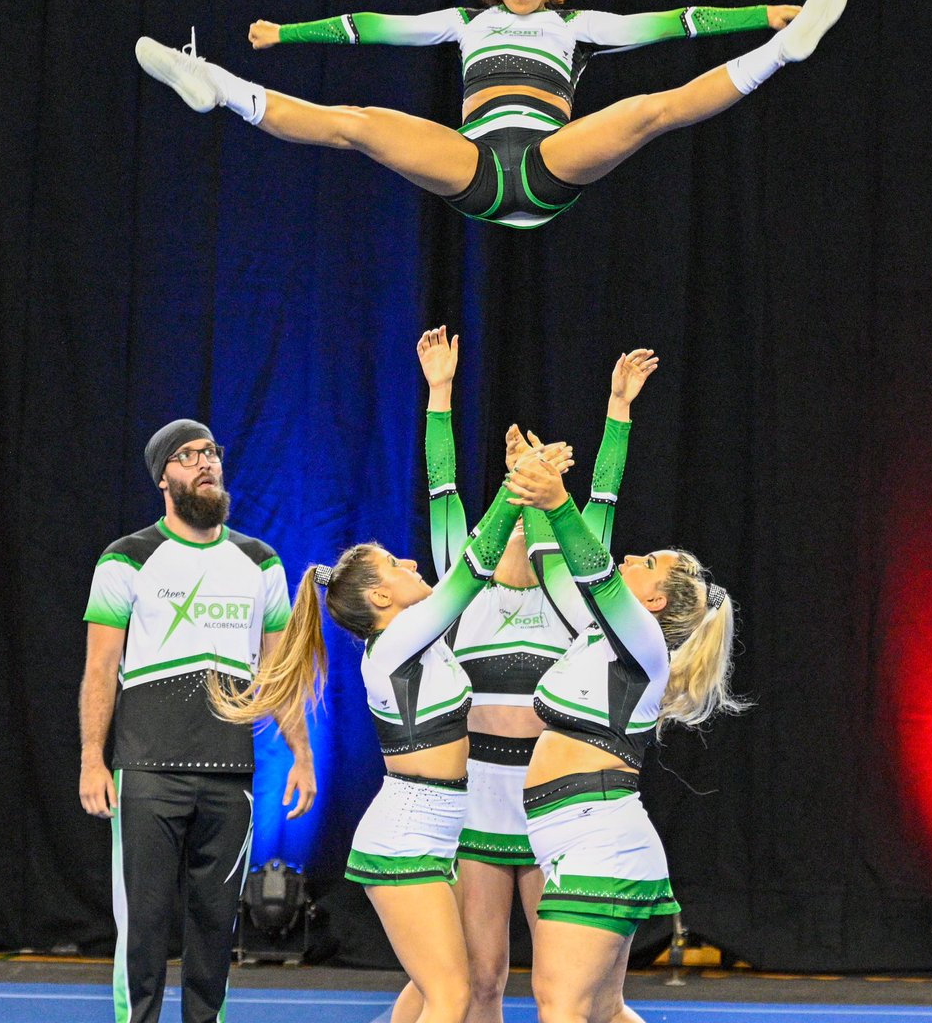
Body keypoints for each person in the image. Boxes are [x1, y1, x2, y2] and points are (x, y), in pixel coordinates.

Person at [134, 0, 848, 230]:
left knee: (649, 111)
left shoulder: (579, 29)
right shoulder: (464, 22)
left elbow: (679, 20)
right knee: (355, 125)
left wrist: (768, 17)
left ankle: (786, 54)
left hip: (545, 163)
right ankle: (212, 82)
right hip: (473, 165)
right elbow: (375, 26)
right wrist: (288, 33)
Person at [209, 439, 570, 1023]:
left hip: (433, 837)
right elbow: (472, 570)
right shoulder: (395, 642)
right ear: (381, 597)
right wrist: (516, 485)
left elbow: (462, 536)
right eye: (395, 566)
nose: (411, 564)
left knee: (440, 989)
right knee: (451, 997)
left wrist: (449, 412)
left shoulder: (423, 642)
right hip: (405, 841)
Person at [409, 326, 657, 1023]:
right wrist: (440, 394)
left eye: (527, 519)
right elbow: (442, 487)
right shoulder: (466, 583)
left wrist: (618, 412)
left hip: (558, 807)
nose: (516, 528)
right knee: (481, 981)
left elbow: (601, 503)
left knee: (577, 996)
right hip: (480, 800)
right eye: (509, 516)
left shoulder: (575, 598)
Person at [78, 419, 317, 1023]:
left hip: (230, 774)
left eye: (210, 452)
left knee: (215, 929)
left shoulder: (260, 562)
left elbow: (278, 671)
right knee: (145, 924)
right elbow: (101, 670)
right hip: (148, 772)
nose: (205, 463)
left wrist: (303, 756)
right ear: (165, 478)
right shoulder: (126, 558)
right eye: (187, 456)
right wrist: (92, 760)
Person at [505, 440, 744, 1023]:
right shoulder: (599, 631)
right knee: (606, 1010)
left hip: (598, 841)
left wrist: (561, 502)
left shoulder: (643, 641)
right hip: (579, 839)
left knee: (560, 1005)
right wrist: (532, 480)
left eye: (645, 564)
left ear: (654, 600)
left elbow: (591, 566)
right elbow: (551, 556)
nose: (630, 558)